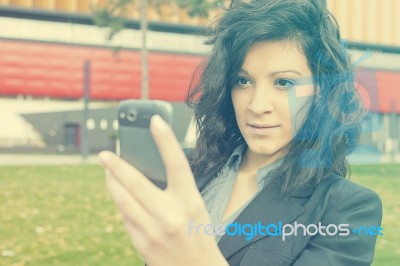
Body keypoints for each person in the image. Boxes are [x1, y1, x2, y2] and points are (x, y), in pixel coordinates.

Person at [97, 0, 382, 265]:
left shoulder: (348, 210)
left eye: (283, 82)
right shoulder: (186, 171)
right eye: (243, 80)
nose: (257, 106)